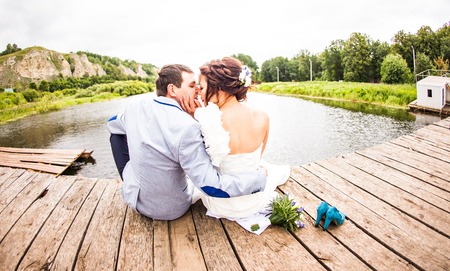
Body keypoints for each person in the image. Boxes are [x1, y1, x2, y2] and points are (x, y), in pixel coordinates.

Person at [107, 64, 267, 220]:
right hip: (171, 210)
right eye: (192, 86)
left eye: (199, 87)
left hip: (132, 194)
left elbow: (112, 124)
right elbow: (211, 186)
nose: (197, 91)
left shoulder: (135, 107)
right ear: (172, 89)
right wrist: (258, 179)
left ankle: (129, 178)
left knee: (116, 135)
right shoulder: (188, 127)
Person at [181, 57, 290, 232]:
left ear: (219, 90)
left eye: (201, 87)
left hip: (221, 204)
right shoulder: (263, 116)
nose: (198, 93)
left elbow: (205, 165)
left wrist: (194, 118)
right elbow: (257, 157)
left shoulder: (207, 119)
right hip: (254, 201)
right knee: (265, 167)